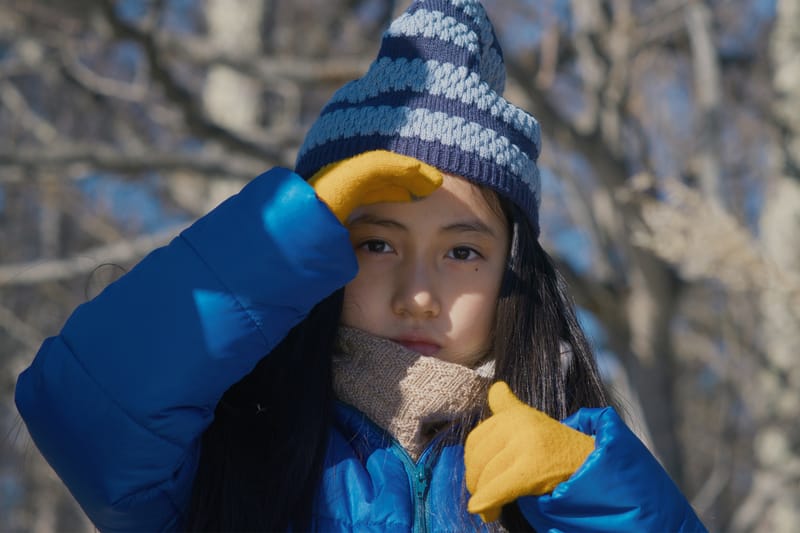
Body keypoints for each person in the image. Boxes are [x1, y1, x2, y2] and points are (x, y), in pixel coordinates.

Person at [16, 1, 707, 531]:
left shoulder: (559, 478)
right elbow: (81, 409)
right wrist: (286, 232)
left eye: (463, 251)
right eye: (374, 243)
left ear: (513, 271)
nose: (417, 294)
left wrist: (588, 490)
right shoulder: (235, 447)